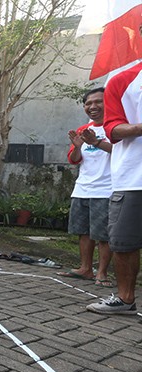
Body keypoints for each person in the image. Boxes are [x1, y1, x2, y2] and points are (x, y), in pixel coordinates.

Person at [86, 54, 142, 315]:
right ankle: (125, 298)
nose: (92, 106)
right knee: (123, 242)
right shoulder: (122, 79)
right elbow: (113, 130)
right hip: (133, 176)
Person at [56, 88, 113, 286]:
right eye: (88, 103)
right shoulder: (83, 129)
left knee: (104, 234)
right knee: (84, 231)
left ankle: (102, 273)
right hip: (82, 188)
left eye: (98, 102)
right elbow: (74, 160)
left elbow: (123, 153)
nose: (93, 107)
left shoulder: (115, 128)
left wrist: (96, 142)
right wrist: (79, 146)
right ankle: (85, 268)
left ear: (110, 102)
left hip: (107, 189)